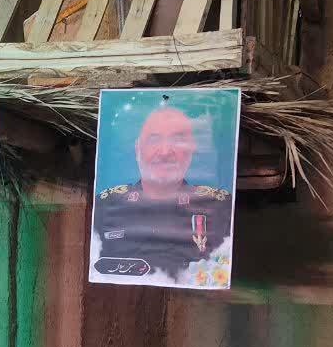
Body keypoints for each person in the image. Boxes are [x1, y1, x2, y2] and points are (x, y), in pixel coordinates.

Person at [92, 107, 231, 278]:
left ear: (191, 149)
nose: (165, 152)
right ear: (137, 149)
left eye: (178, 141)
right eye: (154, 139)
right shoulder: (104, 207)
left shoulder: (220, 208)